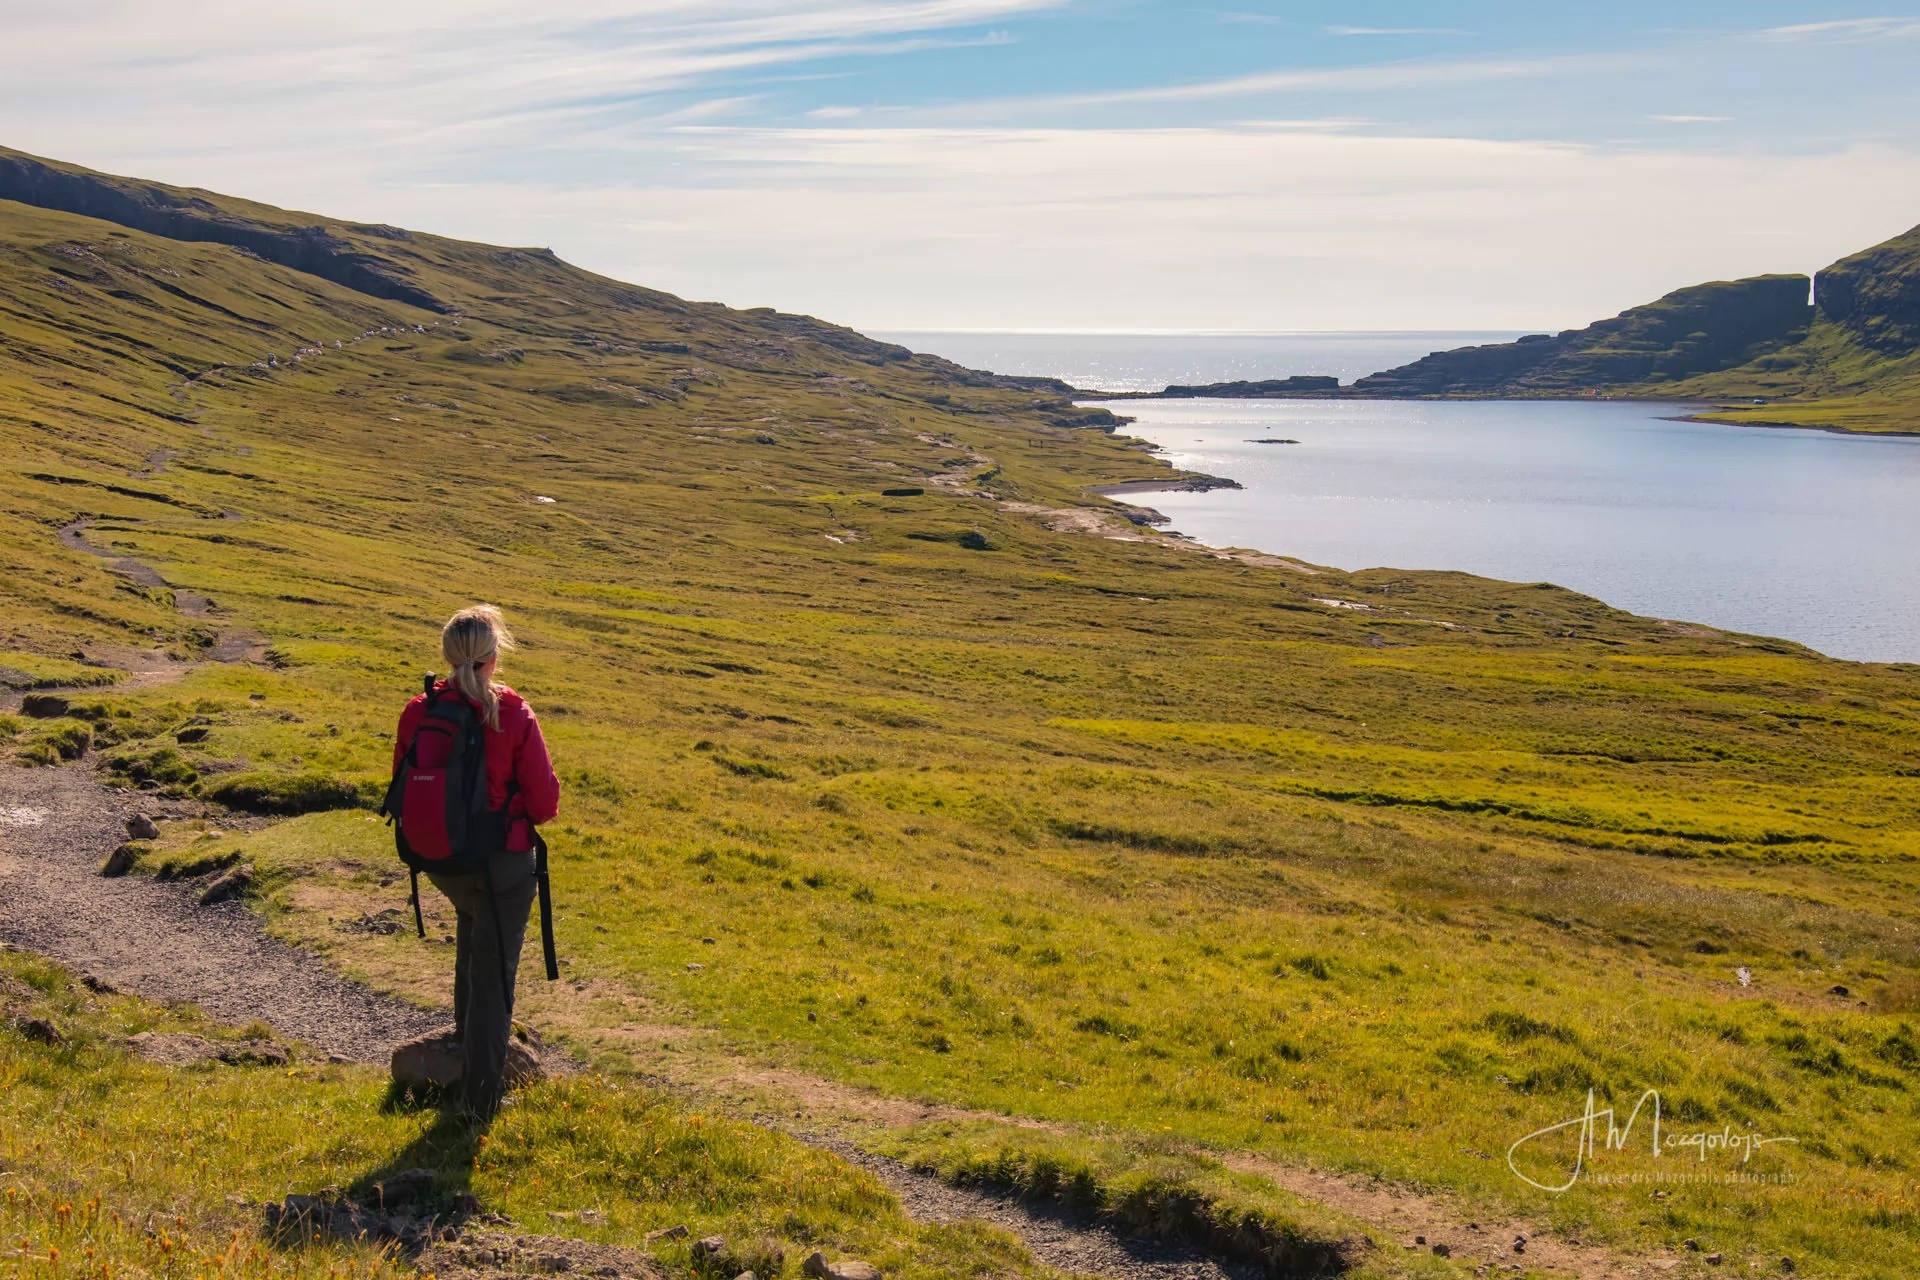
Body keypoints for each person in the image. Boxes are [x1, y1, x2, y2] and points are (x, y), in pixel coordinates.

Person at [391, 604, 560, 1120]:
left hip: (441, 861)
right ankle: (479, 1104)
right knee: (493, 976)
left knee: (473, 937)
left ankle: (464, 1049)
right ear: (494, 656)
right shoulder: (511, 712)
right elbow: (544, 804)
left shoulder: (419, 709)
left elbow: (403, 784)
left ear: (448, 655)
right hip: (501, 864)